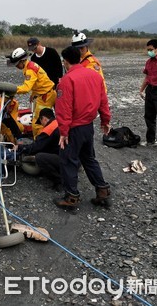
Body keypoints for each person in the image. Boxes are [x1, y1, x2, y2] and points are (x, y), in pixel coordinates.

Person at [54, 45, 111, 211]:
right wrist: (105, 121)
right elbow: (103, 101)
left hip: (74, 127)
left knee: (68, 161)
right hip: (88, 126)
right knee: (88, 158)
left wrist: (63, 132)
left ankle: (71, 197)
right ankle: (102, 190)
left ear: (65, 61)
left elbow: (64, 109)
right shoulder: (95, 75)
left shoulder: (67, 80)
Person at [7, 47, 56, 138]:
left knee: (38, 123)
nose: (16, 66)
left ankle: (39, 142)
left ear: (22, 61)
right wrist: (34, 94)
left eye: (17, 64)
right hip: (46, 93)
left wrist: (12, 89)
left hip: (46, 96)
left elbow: (26, 88)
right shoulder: (30, 65)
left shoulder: (30, 70)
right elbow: (38, 83)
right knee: (43, 119)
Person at [17, 107, 61, 189]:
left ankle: (59, 179)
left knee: (40, 157)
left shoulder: (49, 129)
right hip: (71, 156)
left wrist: (21, 148)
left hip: (63, 159)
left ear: (43, 118)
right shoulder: (57, 123)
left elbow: (36, 147)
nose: (42, 125)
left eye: (40, 122)